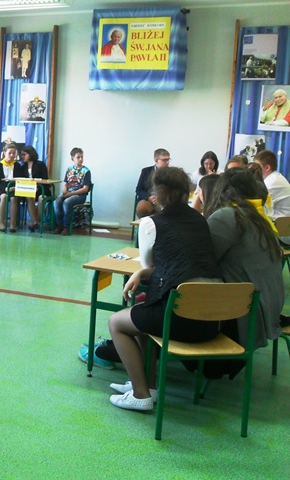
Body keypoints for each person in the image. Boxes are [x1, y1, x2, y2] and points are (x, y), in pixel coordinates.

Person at [108, 167, 223, 411]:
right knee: (141, 316)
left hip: (180, 317)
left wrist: (141, 272)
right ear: (186, 193)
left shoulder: (150, 223)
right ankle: (147, 386)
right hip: (213, 319)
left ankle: (140, 394)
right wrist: (144, 273)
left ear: (157, 195)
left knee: (116, 322)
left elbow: (150, 265)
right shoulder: (200, 220)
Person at [204, 168, 284, 351]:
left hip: (245, 315)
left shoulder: (226, 216)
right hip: (269, 306)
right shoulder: (258, 217)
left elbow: (203, 260)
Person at [53, 147, 92, 235]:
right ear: (72, 158)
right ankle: (59, 225)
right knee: (57, 201)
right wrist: (64, 192)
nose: (81, 159)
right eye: (78, 157)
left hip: (80, 195)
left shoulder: (86, 171)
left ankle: (66, 226)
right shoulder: (69, 169)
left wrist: (71, 194)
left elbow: (85, 189)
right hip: (69, 193)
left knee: (67, 202)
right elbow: (65, 183)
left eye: (82, 157)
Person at [254, 149, 290, 243]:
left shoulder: (271, 183)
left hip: (282, 233)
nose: (255, 170)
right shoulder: (275, 178)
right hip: (280, 228)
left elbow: (258, 206)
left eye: (257, 167)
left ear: (267, 167)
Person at [0, 143, 26, 232]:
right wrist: (5, 189)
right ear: (4, 153)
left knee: (13, 198)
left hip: (13, 189)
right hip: (2, 189)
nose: (12, 155)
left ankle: (12, 224)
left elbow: (20, 180)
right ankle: (1, 223)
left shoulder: (17, 166)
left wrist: (14, 187)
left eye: (13, 153)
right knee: (4, 197)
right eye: (9, 153)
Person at [20, 145, 49, 232]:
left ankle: (35, 222)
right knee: (29, 197)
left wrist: (37, 187)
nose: (22, 156)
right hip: (29, 190)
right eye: (22, 155)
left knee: (41, 198)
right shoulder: (23, 167)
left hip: (42, 189)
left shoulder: (40, 164)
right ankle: (35, 222)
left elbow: (45, 179)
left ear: (30, 154)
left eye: (24, 154)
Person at [135, 148, 170, 218]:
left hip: (165, 201)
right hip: (149, 199)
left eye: (168, 160)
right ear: (156, 160)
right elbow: (139, 190)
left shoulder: (171, 173)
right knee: (142, 208)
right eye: (164, 160)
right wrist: (149, 197)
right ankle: (146, 224)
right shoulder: (146, 171)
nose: (167, 162)